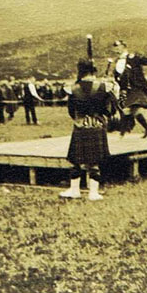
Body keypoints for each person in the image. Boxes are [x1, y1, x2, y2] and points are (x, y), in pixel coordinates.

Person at [60, 59, 116, 200]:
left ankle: (75, 191)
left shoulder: (73, 88)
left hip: (80, 125)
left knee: (76, 160)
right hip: (97, 125)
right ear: (93, 71)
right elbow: (109, 110)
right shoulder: (104, 87)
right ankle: (93, 193)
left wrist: (80, 118)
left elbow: (71, 111)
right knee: (94, 161)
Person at [112, 40, 147, 137]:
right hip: (127, 89)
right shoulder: (118, 61)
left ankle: (122, 133)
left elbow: (143, 60)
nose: (117, 49)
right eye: (115, 47)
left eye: (119, 47)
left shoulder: (132, 58)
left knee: (128, 110)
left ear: (124, 47)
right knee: (133, 111)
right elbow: (119, 76)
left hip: (136, 88)